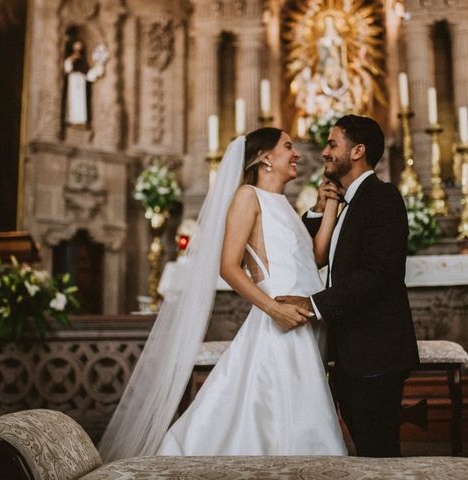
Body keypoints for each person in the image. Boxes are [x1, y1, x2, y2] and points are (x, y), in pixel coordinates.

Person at [98, 128, 346, 460]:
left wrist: (329, 206)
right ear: (265, 158)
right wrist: (274, 310)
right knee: (283, 419)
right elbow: (228, 267)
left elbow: (314, 257)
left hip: (305, 321)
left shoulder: (283, 204)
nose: (297, 154)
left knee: (290, 416)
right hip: (280, 326)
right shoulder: (247, 196)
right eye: (288, 147)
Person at [277, 114, 420, 457]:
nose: (324, 152)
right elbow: (312, 257)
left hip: (376, 353)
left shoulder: (382, 198)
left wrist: (312, 305)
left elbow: (378, 274)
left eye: (331, 144)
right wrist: (320, 208)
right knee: (364, 452)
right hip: (351, 355)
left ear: (357, 151)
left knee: (379, 456)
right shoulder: (347, 202)